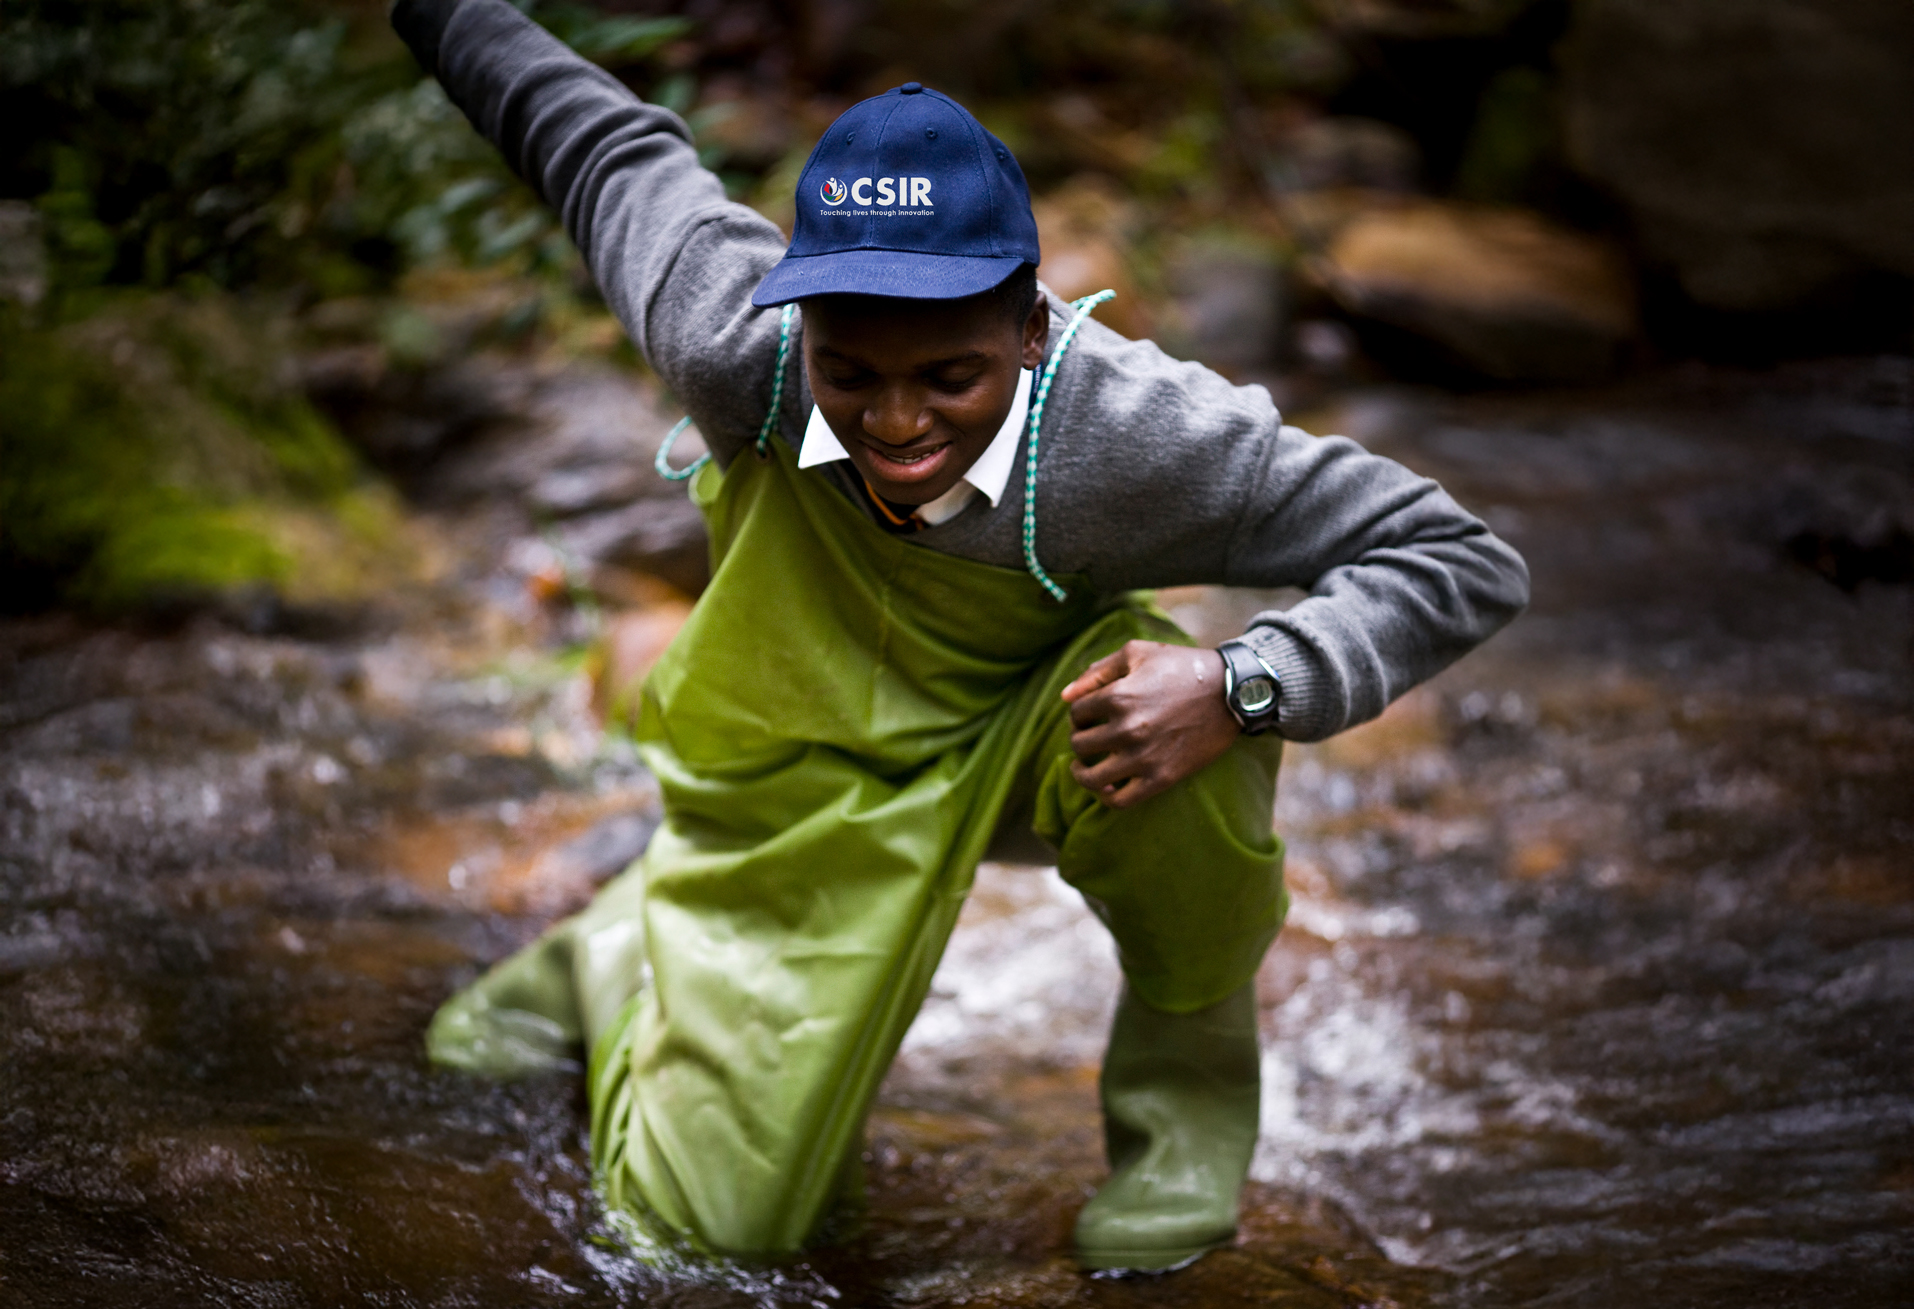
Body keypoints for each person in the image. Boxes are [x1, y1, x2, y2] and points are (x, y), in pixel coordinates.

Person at [393, 0, 1528, 1274]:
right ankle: (619, 953)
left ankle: (1183, 1124)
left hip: (1024, 741)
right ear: (800, 325)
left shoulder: (1142, 436)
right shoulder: (730, 339)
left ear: (1033, 332)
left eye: (950, 378)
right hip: (790, 770)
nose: (894, 421)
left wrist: (1245, 681)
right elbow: (598, 142)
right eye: (850, 370)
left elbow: (1458, 555)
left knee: (1188, 725)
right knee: (703, 1234)